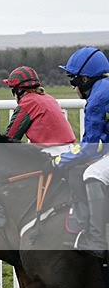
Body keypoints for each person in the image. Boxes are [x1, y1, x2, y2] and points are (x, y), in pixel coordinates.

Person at [0, 66, 76, 228]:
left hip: (50, 152)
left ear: (18, 90)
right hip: (68, 150)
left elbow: (10, 137)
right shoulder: (48, 98)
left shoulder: (28, 102)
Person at [54, 47, 109, 258]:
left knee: (92, 173)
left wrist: (62, 159)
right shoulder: (104, 88)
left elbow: (90, 147)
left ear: (85, 79)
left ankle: (96, 239)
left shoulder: (97, 98)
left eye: (73, 80)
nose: (73, 87)